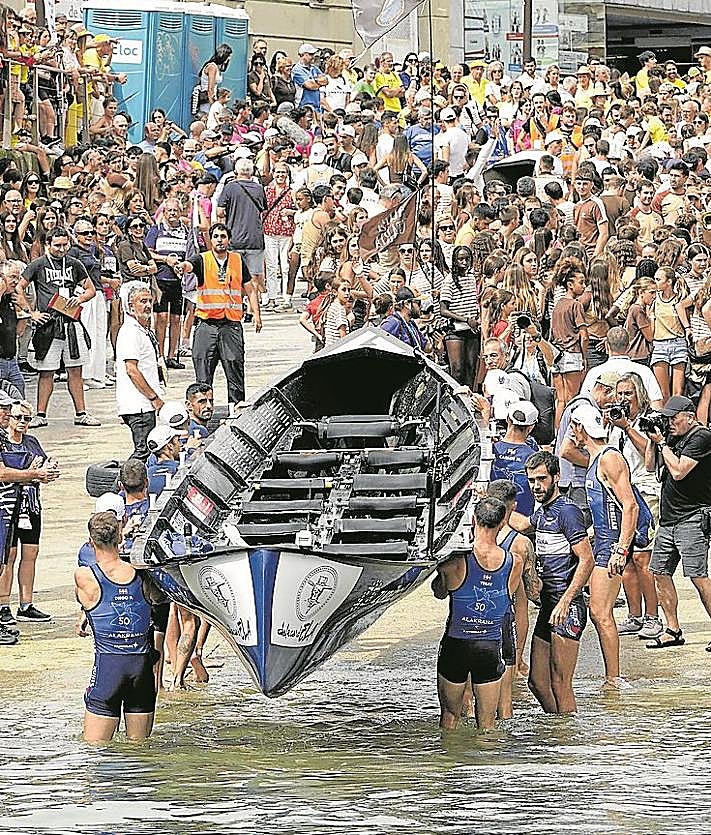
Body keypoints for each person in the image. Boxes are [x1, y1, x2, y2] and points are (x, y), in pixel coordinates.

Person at [511, 451, 595, 714]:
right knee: (537, 681)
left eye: (542, 479)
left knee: (561, 683)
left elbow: (587, 560)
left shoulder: (567, 511)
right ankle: (557, 728)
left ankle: (567, 743)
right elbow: (525, 525)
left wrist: (567, 600)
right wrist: (492, 504)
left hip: (567, 607)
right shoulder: (544, 511)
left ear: (556, 477)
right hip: (549, 606)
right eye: (531, 480)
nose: (536, 486)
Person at [433, 496, 523, 730]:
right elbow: (506, 598)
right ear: (502, 524)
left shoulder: (454, 560)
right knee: (488, 724)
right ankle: (486, 765)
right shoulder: (514, 562)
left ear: (473, 520)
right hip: (489, 647)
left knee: (450, 717)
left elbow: (440, 593)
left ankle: (448, 764)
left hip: (456, 645)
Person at [569, 402, 639, 688]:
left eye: (573, 426)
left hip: (612, 546)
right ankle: (612, 675)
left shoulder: (609, 458)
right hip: (603, 541)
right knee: (599, 611)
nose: (571, 433)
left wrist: (621, 549)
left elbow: (630, 506)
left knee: (600, 611)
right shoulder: (596, 460)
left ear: (581, 428)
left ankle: (614, 677)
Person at [75, 511, 158, 743]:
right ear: (120, 537)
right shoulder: (144, 574)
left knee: (95, 752)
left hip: (108, 670)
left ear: (91, 542)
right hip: (141, 671)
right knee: (139, 752)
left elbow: (90, 602)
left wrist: (85, 613)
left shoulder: (84, 576)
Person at [644, 395, 711, 650]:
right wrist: (653, 441)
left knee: (698, 576)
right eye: (667, 418)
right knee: (659, 572)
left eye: (674, 418)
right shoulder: (673, 437)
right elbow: (651, 466)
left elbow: (679, 471)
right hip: (669, 519)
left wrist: (662, 442)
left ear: (690, 417)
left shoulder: (701, 437)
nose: (670, 422)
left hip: (693, 516)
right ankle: (672, 629)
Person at [16, 228, 101, 429]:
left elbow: (91, 290)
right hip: (48, 325)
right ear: (48, 245)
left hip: (71, 323)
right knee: (46, 371)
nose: (62, 249)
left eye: (65, 245)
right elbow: (19, 287)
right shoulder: (37, 265)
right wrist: (31, 312)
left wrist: (78, 298)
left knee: (75, 370)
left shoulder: (74, 264)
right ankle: (40, 414)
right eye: (57, 245)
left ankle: (81, 413)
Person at [182, 223, 262, 409]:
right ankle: (202, 414)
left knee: (235, 369)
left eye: (223, 236)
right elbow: (189, 266)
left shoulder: (237, 260)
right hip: (207, 325)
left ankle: (236, 412)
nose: (220, 240)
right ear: (210, 239)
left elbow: (250, 288)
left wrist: (256, 313)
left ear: (229, 239)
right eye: (216, 236)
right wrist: (181, 266)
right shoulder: (202, 260)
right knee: (203, 374)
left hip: (230, 325)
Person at [608, 373, 663, 639]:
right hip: (622, 493)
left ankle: (653, 617)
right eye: (619, 394)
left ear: (639, 394)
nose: (623, 399)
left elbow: (650, 459)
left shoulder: (648, 421)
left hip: (646, 491)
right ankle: (634, 615)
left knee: (644, 558)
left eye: (628, 393)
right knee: (626, 557)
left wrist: (628, 427)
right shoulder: (613, 420)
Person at [0, 399, 59, 625]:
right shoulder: (3, 443)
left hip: (31, 504)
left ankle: (26, 603)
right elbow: (8, 473)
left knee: (31, 553)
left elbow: (42, 465)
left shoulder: (32, 441)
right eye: (18, 417)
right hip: (8, 505)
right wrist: (32, 473)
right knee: (9, 556)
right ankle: (4, 604)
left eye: (27, 418)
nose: (23, 422)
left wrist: (48, 469)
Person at [115, 284, 164, 461]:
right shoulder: (130, 332)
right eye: (143, 301)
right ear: (130, 304)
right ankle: (120, 487)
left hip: (143, 405)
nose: (148, 305)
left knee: (144, 452)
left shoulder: (141, 329)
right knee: (143, 453)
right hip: (139, 405)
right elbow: (132, 370)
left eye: (150, 301)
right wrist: (154, 398)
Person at [145, 198, 188, 369]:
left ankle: (172, 355)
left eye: (175, 211)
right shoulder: (157, 230)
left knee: (176, 319)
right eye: (169, 211)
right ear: (164, 212)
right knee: (161, 318)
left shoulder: (185, 230)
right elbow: (148, 251)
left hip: (179, 280)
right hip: (161, 278)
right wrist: (165, 259)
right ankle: (160, 355)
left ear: (180, 212)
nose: (172, 214)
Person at [216, 159, 267, 296]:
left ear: (236, 171)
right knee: (254, 276)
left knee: (235, 276)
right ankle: (252, 309)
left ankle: (239, 307)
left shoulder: (230, 187)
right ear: (251, 172)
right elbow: (263, 210)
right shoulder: (259, 188)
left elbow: (219, 211)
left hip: (235, 238)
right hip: (255, 239)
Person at [580, 326, 663, 408]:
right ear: (629, 346)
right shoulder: (644, 371)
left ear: (607, 345)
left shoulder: (594, 373)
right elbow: (657, 405)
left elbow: (582, 405)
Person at [490, 401, 539, 516]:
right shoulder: (534, 457)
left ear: (507, 419)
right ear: (531, 427)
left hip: (491, 519)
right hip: (521, 522)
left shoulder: (490, 450)